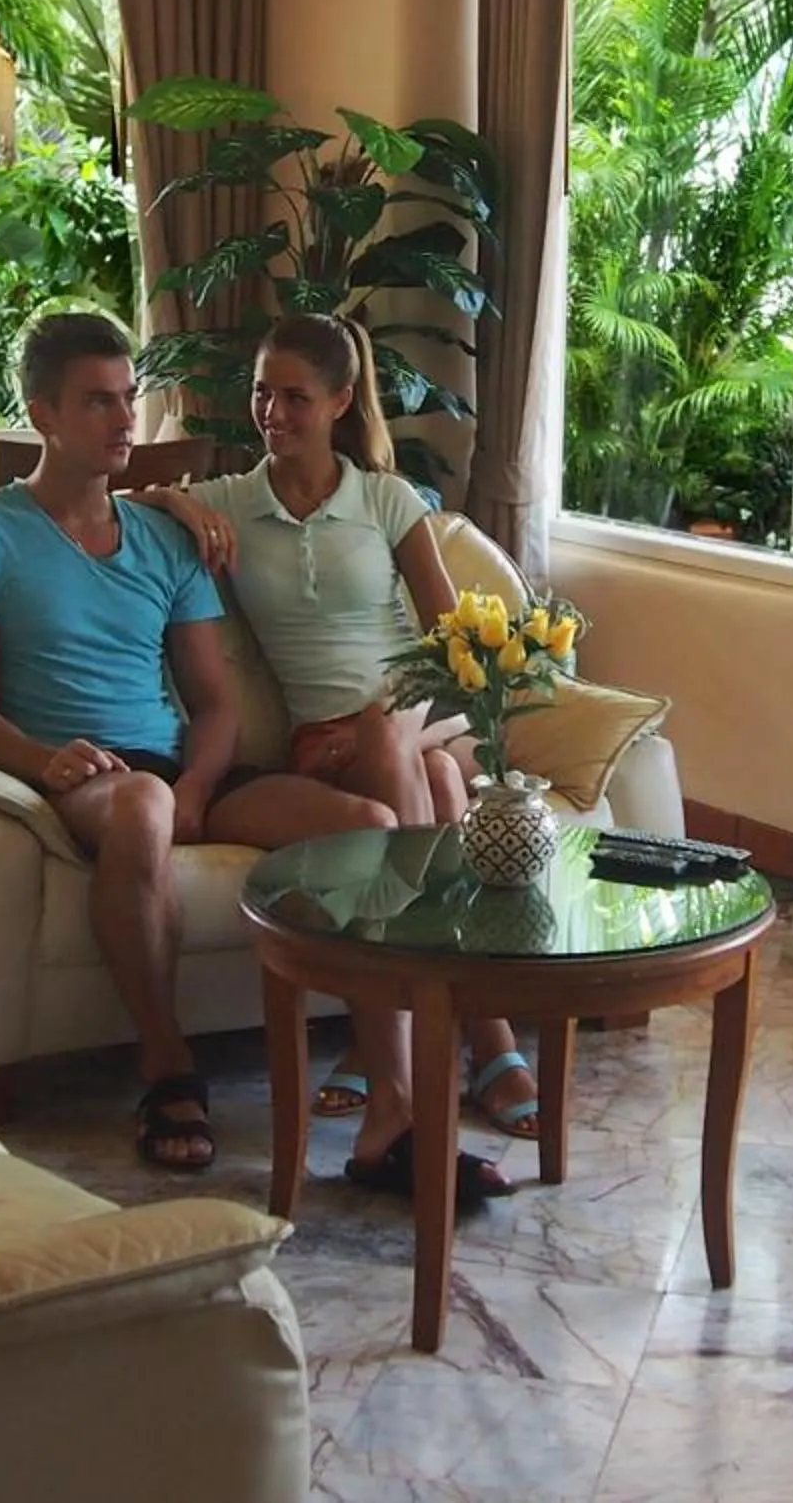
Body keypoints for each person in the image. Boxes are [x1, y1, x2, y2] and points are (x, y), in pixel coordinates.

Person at [0, 313, 403, 1174]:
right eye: (98, 402)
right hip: (81, 772)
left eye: (128, 398)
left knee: (369, 825)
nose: (124, 420)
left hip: (175, 769)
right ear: (43, 414)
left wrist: (199, 788)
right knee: (142, 801)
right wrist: (44, 760)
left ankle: (391, 1107)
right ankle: (167, 1062)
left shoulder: (163, 539)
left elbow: (215, 704)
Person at [135, 314, 544, 1203]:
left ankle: (404, 1066)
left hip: (414, 713)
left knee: (415, 751)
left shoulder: (389, 501)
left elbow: (454, 655)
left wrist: (381, 724)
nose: (272, 412)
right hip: (325, 743)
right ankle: (477, 1039)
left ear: (341, 402)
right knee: (439, 788)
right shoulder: (233, 499)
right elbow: (134, 497)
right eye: (261, 393)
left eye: (295, 396)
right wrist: (177, 500)